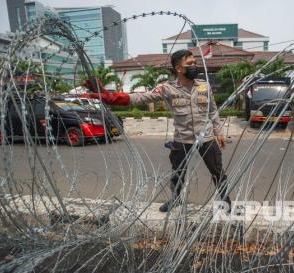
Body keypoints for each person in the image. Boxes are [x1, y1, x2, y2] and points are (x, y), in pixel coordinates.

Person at [87, 49, 231, 213]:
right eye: (189, 64)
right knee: (178, 173)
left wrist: (218, 131)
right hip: (182, 139)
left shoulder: (204, 86)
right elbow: (142, 97)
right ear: (178, 68)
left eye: (195, 63)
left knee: (217, 171)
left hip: (206, 138)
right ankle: (175, 199)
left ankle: (226, 201)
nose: (194, 66)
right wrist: (111, 97)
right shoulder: (167, 88)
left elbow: (213, 110)